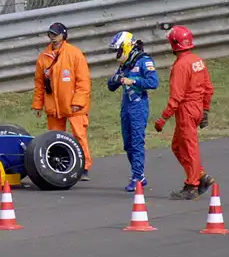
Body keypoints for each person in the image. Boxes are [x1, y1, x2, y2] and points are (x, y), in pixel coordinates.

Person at [154, 25, 216, 200]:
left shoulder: (180, 66)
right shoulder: (198, 61)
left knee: (189, 148)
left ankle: (192, 185)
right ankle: (200, 176)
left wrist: (162, 119)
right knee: (178, 146)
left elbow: (176, 97)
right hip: (196, 108)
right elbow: (208, 88)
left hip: (186, 110)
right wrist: (205, 110)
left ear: (174, 44)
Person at [32, 22, 93, 180]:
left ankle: (84, 167)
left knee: (79, 136)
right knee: (54, 137)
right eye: (51, 35)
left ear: (64, 35)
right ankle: (57, 165)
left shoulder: (75, 54)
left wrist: (78, 102)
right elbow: (39, 84)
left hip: (74, 106)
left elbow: (83, 82)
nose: (53, 38)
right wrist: (38, 104)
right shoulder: (43, 58)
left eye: (56, 35)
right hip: (54, 107)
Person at [107, 31, 159, 192]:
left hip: (138, 106)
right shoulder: (125, 64)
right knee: (128, 144)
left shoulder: (144, 61)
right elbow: (111, 86)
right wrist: (115, 80)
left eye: (118, 50)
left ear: (127, 46)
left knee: (137, 142)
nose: (117, 54)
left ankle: (138, 176)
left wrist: (133, 80)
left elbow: (153, 82)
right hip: (126, 106)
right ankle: (138, 175)